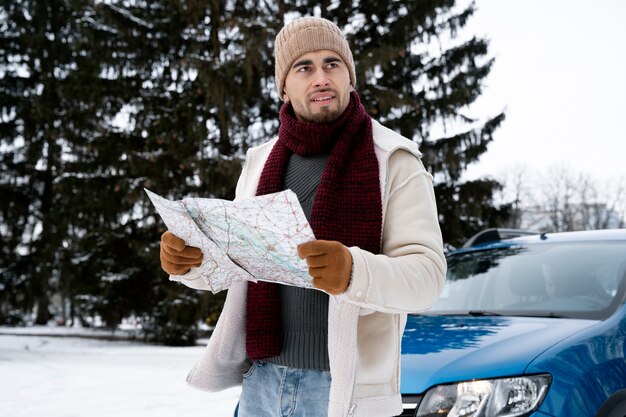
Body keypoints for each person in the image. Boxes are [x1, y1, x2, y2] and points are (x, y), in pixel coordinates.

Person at [159, 16, 446, 417]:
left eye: (332, 64)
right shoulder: (260, 164)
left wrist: (353, 271)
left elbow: (428, 278)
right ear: (284, 87)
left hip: (345, 391)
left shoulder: (393, 161)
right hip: (260, 381)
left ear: (350, 78)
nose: (321, 78)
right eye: (304, 67)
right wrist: (192, 263)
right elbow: (241, 266)